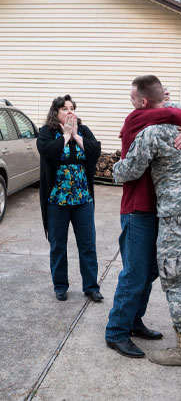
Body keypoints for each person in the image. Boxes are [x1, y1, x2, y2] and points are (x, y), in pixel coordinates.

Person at [105, 75, 181, 359]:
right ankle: (116, 331)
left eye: (132, 98)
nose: (130, 104)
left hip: (164, 211)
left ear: (143, 100)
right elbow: (180, 114)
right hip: (138, 209)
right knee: (136, 273)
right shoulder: (137, 121)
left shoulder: (167, 122)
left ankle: (132, 321)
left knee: (155, 271)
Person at [36, 94, 102, 301]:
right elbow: (48, 152)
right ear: (55, 112)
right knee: (58, 245)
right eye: (65, 109)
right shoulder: (47, 132)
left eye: (72, 108)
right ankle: (60, 286)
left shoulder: (83, 130)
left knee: (88, 244)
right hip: (57, 200)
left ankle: (91, 286)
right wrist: (65, 136)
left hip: (83, 200)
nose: (70, 111)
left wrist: (75, 135)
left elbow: (95, 150)